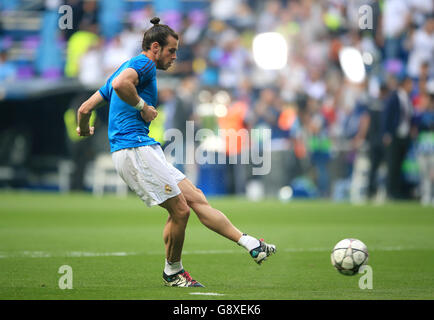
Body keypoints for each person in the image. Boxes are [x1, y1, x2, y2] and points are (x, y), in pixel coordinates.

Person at [76, 17, 276, 288]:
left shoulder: (125, 68)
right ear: (155, 48)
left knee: (195, 197)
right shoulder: (144, 64)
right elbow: (124, 84)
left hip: (142, 148)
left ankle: (251, 243)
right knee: (181, 211)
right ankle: (174, 271)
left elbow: (84, 109)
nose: (174, 57)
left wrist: (84, 129)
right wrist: (142, 107)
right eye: (171, 51)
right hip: (134, 149)